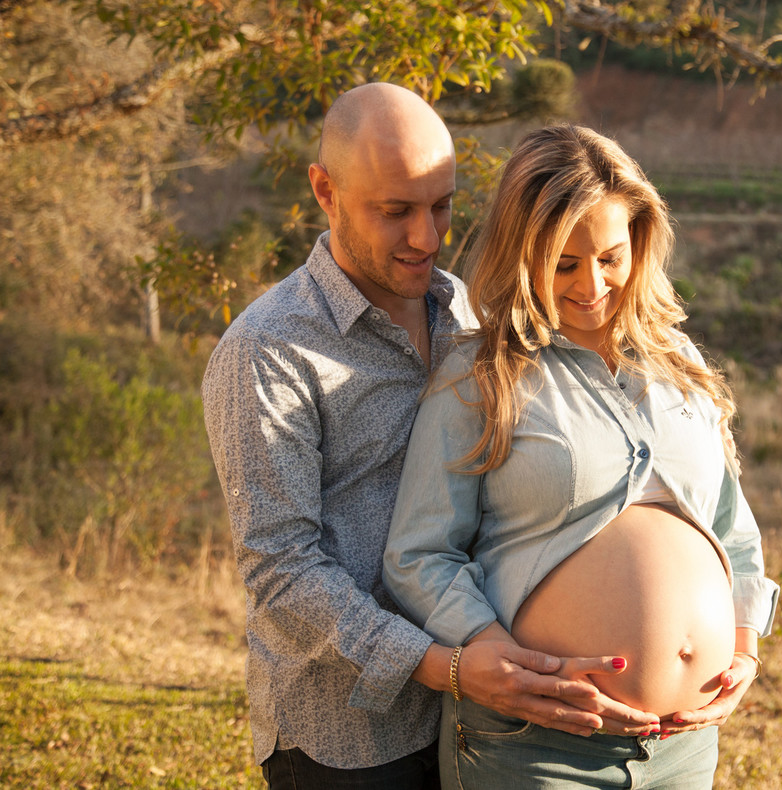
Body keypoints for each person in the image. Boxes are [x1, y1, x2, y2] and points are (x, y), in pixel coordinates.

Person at [203, 85, 654, 789]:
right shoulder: (266, 350)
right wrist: (445, 665)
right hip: (350, 737)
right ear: (325, 189)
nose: (427, 237)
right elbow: (281, 570)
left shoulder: (469, 313)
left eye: (441, 205)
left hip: (482, 723)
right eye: (395, 212)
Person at [383, 123, 779, 789]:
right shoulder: (480, 378)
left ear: (640, 243)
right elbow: (419, 554)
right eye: (564, 264)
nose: (592, 285)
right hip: (536, 743)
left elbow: (728, 523)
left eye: (611, 257)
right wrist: (496, 656)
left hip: (684, 744)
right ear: (523, 255)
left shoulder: (679, 363)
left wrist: (743, 645)